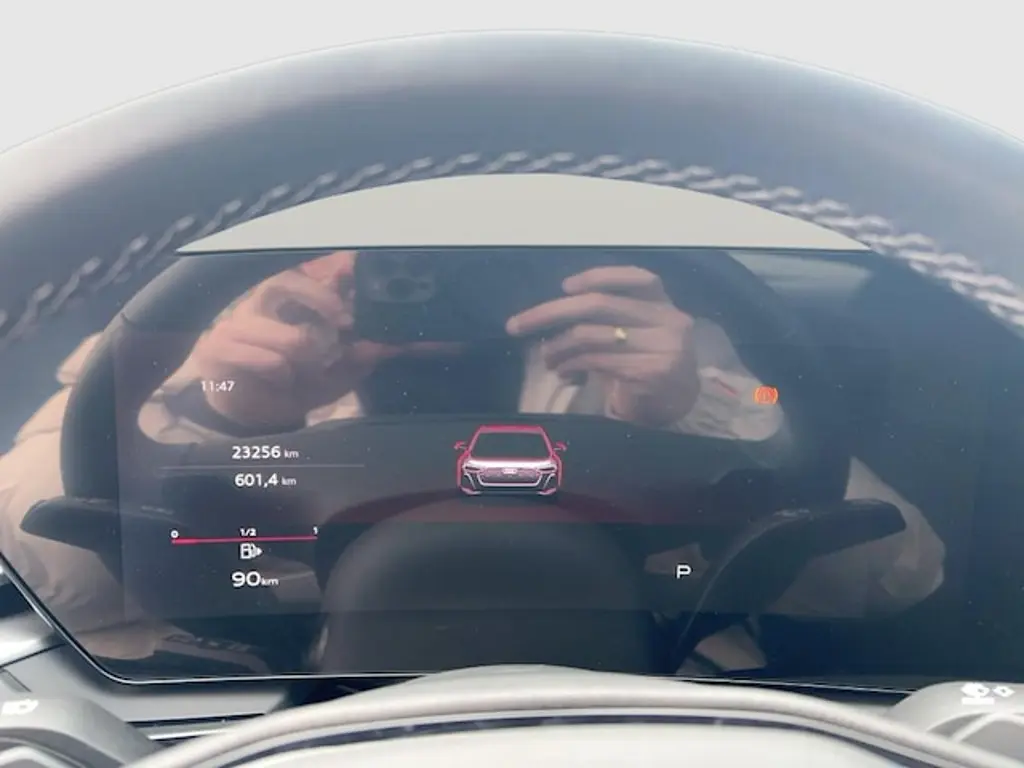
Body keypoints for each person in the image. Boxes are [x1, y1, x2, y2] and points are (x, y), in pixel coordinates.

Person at [0, 250, 945, 673]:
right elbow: (37, 567)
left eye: (460, 253)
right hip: (260, 703)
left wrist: (691, 406)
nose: (413, 274)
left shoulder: (659, 349)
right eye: (368, 251)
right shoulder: (212, 344)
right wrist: (215, 406)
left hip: (650, 704)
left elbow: (897, 571)